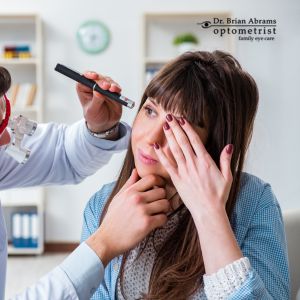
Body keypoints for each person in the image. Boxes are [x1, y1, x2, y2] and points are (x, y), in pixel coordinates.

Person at [81, 51, 290, 299]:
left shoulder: (254, 201)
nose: (151, 138)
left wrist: (210, 215)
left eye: (178, 126)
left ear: (214, 143)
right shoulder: (101, 204)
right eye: (150, 111)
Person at [1, 67, 167, 299]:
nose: (8, 137)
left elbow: (63, 155)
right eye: (150, 111)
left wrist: (101, 128)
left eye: (3, 112)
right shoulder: (100, 208)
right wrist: (102, 244)